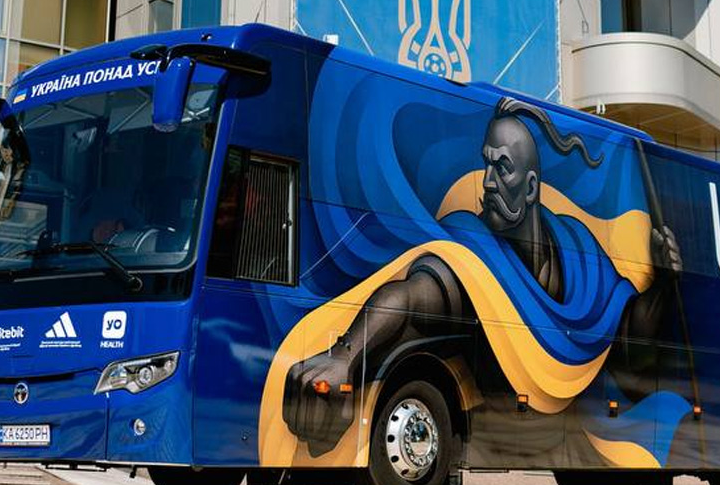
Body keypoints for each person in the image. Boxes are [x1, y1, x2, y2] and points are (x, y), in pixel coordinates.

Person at [284, 97, 681, 455]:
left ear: (530, 187)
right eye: (486, 164)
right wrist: (345, 357)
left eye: (502, 168)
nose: (488, 182)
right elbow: (411, 296)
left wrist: (664, 281)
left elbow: (628, 339)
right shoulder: (471, 245)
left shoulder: (577, 244)